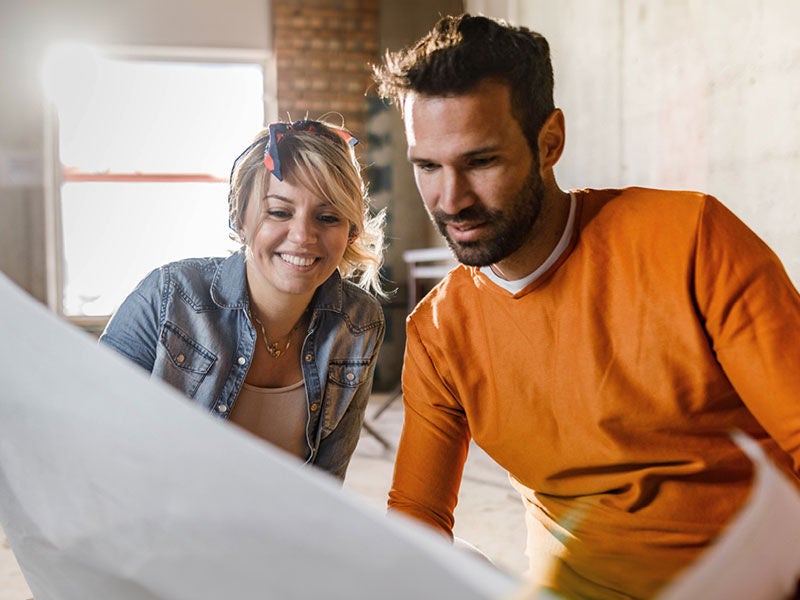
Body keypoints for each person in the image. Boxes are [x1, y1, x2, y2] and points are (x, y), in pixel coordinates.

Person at [373, 13, 800, 598]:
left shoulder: (690, 240)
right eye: (428, 167)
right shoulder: (439, 333)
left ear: (550, 141)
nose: (452, 199)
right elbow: (415, 520)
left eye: (481, 162)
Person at [100, 118, 386, 481]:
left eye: (328, 217)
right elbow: (91, 445)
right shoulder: (168, 296)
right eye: (279, 212)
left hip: (273, 531)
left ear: (351, 232)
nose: (302, 236)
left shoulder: (360, 322)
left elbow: (326, 485)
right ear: (240, 220)